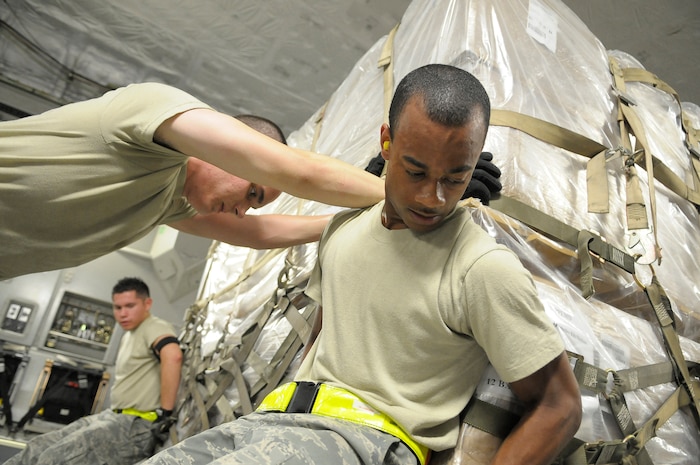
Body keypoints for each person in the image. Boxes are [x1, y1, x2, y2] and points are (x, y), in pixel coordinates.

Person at [141, 64, 582, 465]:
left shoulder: (480, 267)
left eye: (455, 177)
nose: (434, 198)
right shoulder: (343, 232)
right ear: (387, 143)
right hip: (272, 424)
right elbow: (321, 338)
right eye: (416, 172)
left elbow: (559, 405)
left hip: (363, 442)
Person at [0, 82, 384, 280]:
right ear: (235, 145)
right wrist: (395, 196)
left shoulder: (171, 202)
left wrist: (356, 221)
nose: (240, 211)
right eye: (252, 192)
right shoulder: (147, 111)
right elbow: (294, 169)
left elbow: (257, 232)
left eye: (252, 204)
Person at [7, 277, 183, 465]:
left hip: (136, 423)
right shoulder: (130, 334)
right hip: (113, 415)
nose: (122, 313)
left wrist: (165, 413)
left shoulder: (154, 326)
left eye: (130, 306)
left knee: (53, 459)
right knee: (36, 448)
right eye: (118, 307)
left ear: (147, 304)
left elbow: (173, 356)